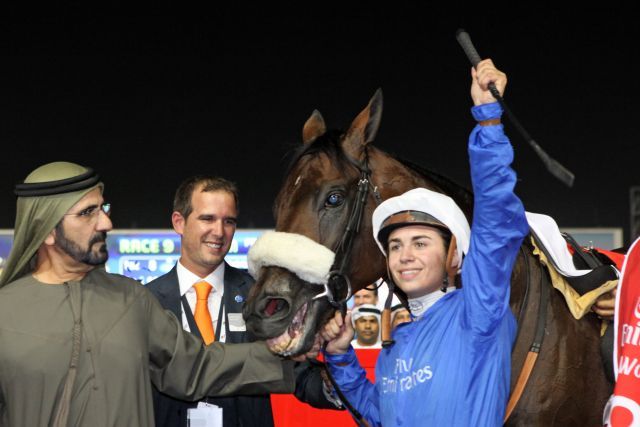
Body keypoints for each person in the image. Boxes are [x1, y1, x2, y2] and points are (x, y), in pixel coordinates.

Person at [0, 162, 296, 427]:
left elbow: (197, 367)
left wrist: (292, 350)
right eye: (88, 213)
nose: (106, 223)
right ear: (47, 231)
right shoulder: (5, 312)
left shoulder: (131, 299)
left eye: (103, 209)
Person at [320, 59, 529, 426]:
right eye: (396, 246)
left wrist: (488, 120)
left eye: (420, 243)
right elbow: (375, 413)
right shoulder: (395, 344)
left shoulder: (477, 313)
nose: (404, 256)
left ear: (454, 256)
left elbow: (495, 221)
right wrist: (339, 356)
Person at [147, 175, 341, 427]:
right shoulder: (147, 301)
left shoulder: (261, 296)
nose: (219, 231)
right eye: (207, 218)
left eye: (228, 221)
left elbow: (300, 375)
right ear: (179, 222)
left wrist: (336, 377)